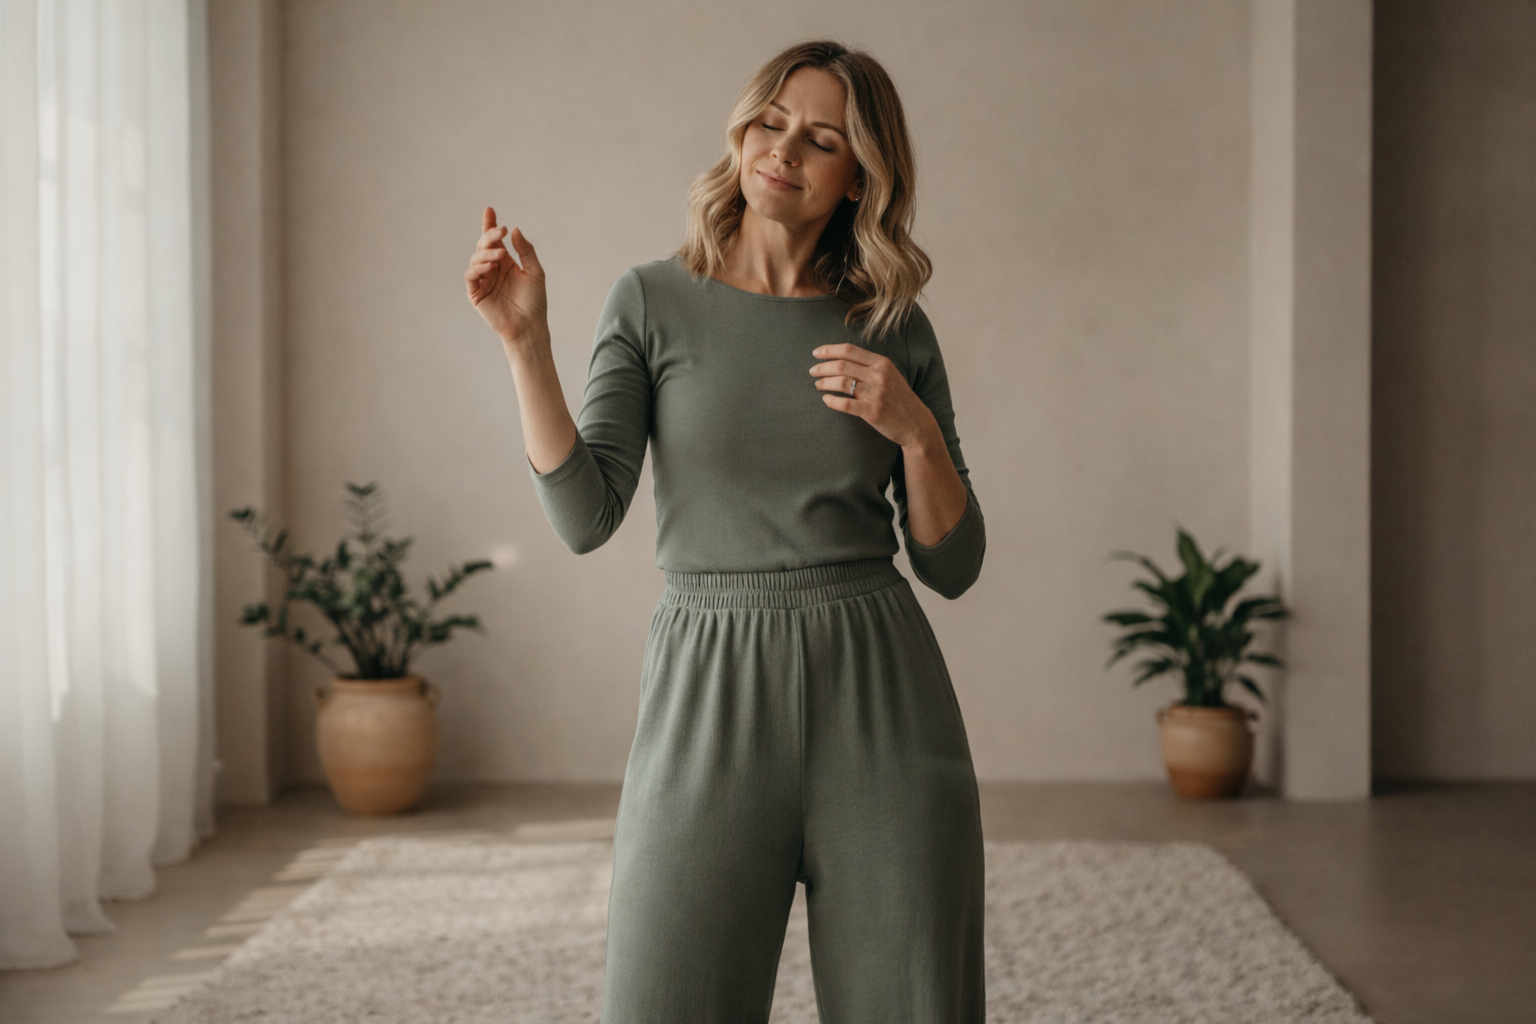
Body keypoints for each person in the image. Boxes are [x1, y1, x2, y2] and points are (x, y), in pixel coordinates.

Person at [465, 39, 986, 1023]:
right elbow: (586, 515)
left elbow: (954, 563)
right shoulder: (653, 300)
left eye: (821, 139)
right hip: (708, 681)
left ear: (859, 179)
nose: (782, 148)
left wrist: (913, 430)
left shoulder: (893, 325)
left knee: (914, 1002)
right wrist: (526, 344)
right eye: (770, 120)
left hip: (879, 687)